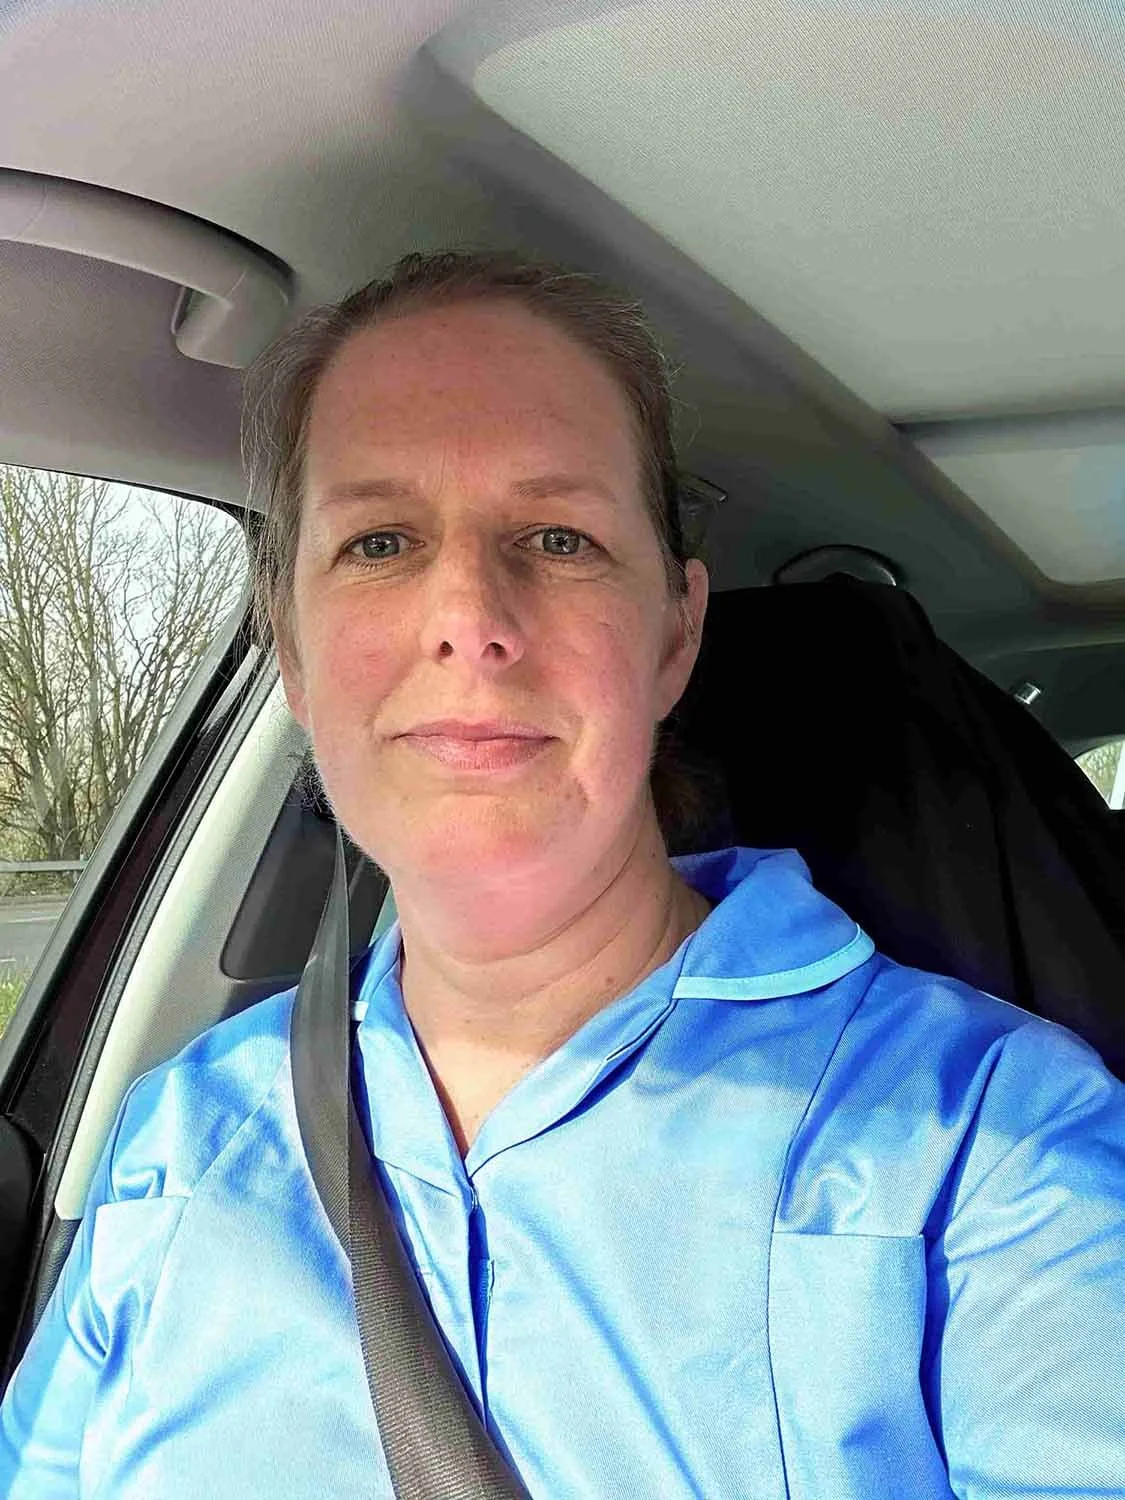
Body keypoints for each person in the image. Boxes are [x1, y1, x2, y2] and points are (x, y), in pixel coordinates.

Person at [1, 248, 1123, 1499]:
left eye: (556, 535)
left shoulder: (996, 1149)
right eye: (379, 541)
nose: (469, 613)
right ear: (294, 656)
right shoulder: (184, 1134)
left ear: (674, 635)